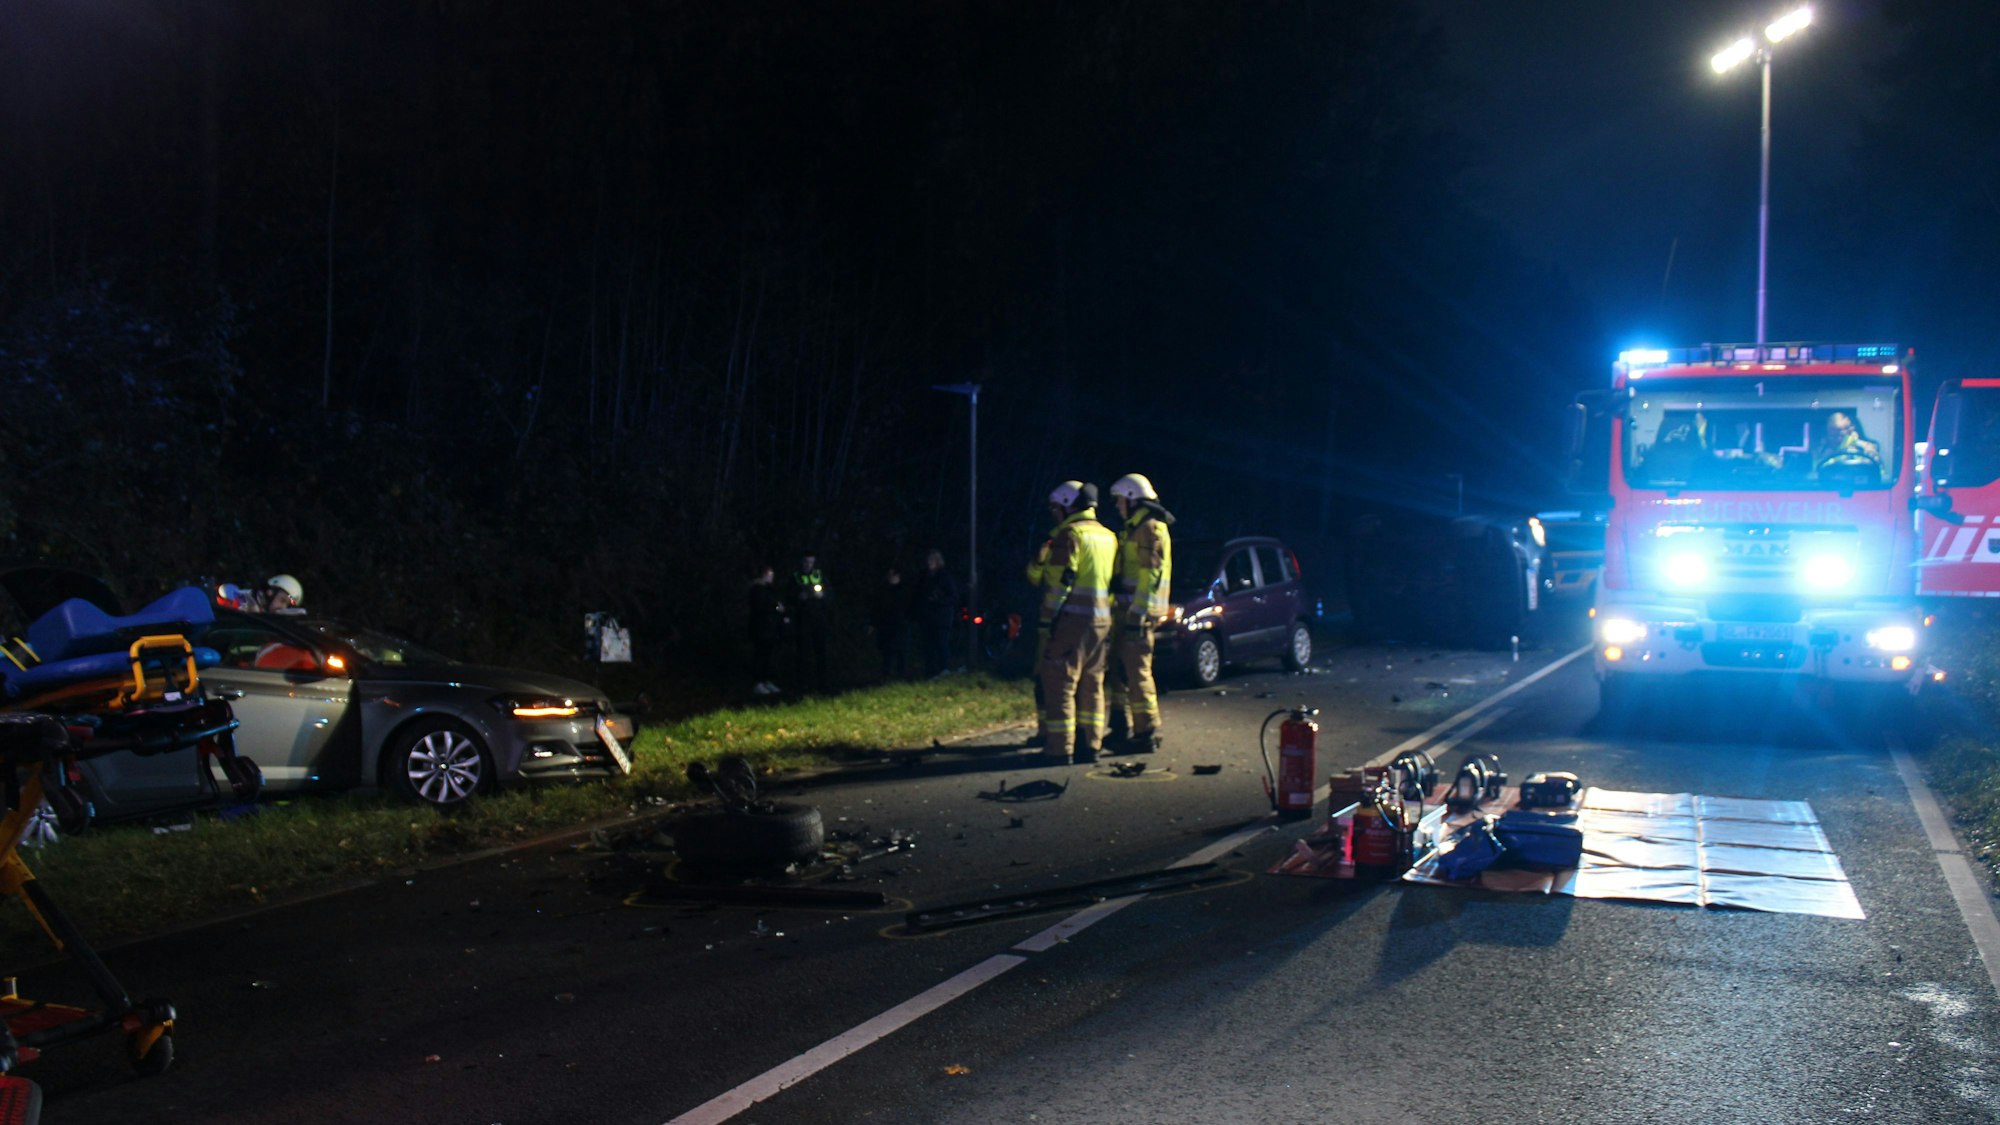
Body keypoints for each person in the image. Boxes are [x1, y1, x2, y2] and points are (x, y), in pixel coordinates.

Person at [1031, 481, 1117, 765]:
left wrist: (1048, 618)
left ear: (1068, 504)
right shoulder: (1108, 536)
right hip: (1102, 620)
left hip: (1073, 620)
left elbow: (1059, 583)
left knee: (1059, 682)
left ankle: (1059, 749)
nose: (1055, 513)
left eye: (1057, 507)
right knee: (1093, 683)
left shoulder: (1070, 534)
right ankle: (1090, 745)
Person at [1107, 473, 1174, 753]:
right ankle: (1121, 727)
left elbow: (1150, 576)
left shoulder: (1148, 528)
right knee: (1122, 672)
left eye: (1120, 500)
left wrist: (1137, 614)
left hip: (1138, 615)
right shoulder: (1136, 527)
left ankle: (1146, 732)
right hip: (1128, 611)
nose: (1117, 506)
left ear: (1133, 500)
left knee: (1137, 672)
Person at [789, 552, 832, 692]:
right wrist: (798, 597)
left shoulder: (819, 575)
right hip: (803, 620)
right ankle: (802, 683)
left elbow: (830, 595)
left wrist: (822, 595)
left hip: (819, 619)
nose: (808, 565)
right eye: (806, 562)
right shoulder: (796, 576)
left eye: (811, 562)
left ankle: (823, 682)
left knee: (822, 651)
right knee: (803, 653)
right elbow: (788, 596)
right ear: (802, 562)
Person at [914, 548, 960, 678]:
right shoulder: (924, 576)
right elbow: (919, 594)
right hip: (928, 616)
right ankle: (931, 671)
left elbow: (954, 597)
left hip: (942, 617)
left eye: (932, 560)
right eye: (929, 560)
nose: (930, 562)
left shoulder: (944, 576)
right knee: (928, 645)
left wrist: (939, 600)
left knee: (941, 643)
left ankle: (944, 669)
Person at [746, 564, 788, 696]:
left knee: (769, 656)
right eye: (770, 574)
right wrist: (775, 608)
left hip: (770, 628)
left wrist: (780, 611)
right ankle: (758, 683)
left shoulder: (768, 589)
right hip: (761, 628)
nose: (772, 577)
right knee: (761, 656)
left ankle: (767, 681)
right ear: (764, 574)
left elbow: (775, 603)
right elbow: (762, 607)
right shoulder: (757, 589)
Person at [872, 565, 912, 681]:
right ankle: (886, 675)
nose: (890, 577)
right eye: (889, 575)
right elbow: (878, 607)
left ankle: (901, 675)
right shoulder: (883, 590)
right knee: (887, 652)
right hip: (887, 625)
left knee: (902, 652)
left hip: (901, 625)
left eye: (893, 575)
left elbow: (908, 606)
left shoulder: (904, 590)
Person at [1814, 411, 1881, 471]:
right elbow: (1816, 472)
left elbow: (1877, 472)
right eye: (1833, 436)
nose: (1837, 439)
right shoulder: (1821, 450)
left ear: (1850, 431)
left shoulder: (1866, 448)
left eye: (1840, 435)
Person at [241, 574, 305, 615]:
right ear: (270, 592)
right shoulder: (241, 600)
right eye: (282, 600)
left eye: (287, 605)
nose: (283, 607)